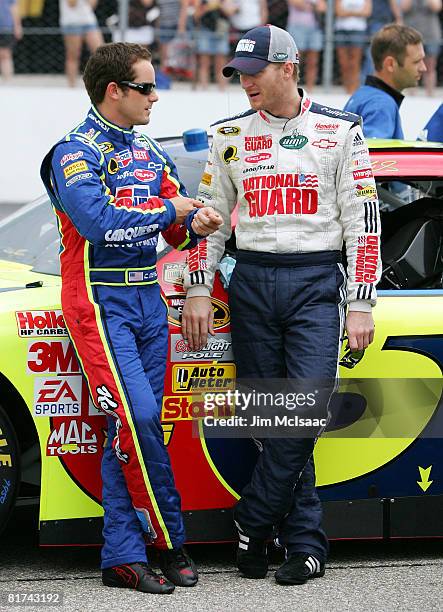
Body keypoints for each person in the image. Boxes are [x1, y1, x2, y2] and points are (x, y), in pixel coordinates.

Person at [181, 24, 381, 585]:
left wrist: (362, 302)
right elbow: (208, 221)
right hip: (252, 281)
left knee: (307, 409)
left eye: (254, 71)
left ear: (288, 68)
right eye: (239, 73)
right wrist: (199, 287)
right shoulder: (227, 134)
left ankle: (252, 516)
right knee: (274, 420)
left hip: (317, 281)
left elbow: (362, 221)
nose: (244, 81)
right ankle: (303, 545)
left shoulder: (341, 130)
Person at [40, 43, 222, 594]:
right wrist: (174, 211)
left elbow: (175, 229)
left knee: (135, 428)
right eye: (146, 87)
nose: (155, 96)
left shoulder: (147, 150)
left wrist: (198, 222)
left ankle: (122, 555)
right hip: (98, 301)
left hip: (147, 300)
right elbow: (97, 222)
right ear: (113, 90)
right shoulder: (74, 152)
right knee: (139, 418)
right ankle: (168, 539)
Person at [344, 24, 426, 139]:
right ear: (390, 64)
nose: (423, 68)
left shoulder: (362, 94)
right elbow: (373, 154)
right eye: (417, 61)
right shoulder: (381, 104)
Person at [400, 0, 442, 96]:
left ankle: (430, 93)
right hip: (411, 35)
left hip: (431, 34)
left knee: (430, 66)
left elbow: (437, 7)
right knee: (410, 65)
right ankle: (412, 94)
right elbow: (403, 7)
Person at [59, 0, 104, 87]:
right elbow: (71, 4)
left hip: (88, 20)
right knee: (73, 56)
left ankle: (101, 84)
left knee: (102, 53)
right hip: (71, 22)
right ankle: (72, 87)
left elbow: (91, 5)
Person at [287, 0, 327, 91]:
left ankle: (310, 89)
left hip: (315, 28)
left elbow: (323, 7)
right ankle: (291, 87)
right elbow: (297, 3)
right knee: (295, 59)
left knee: (313, 61)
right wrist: (314, 5)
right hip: (297, 27)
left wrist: (308, 5)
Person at [334, 0, 372, 94]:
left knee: (355, 63)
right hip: (342, 29)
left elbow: (367, 12)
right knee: (344, 63)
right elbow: (339, 12)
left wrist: (347, 12)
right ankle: (347, 88)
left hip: (358, 30)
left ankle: (354, 89)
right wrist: (357, 13)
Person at [360, 0, 402, 82]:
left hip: (371, 21)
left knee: (371, 54)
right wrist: (399, 18)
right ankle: (368, 83)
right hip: (380, 22)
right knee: (374, 55)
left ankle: (366, 82)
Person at [0, 0, 22, 80]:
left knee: (5, 54)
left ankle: (7, 79)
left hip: (6, 27)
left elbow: (14, 8)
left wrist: (17, 26)